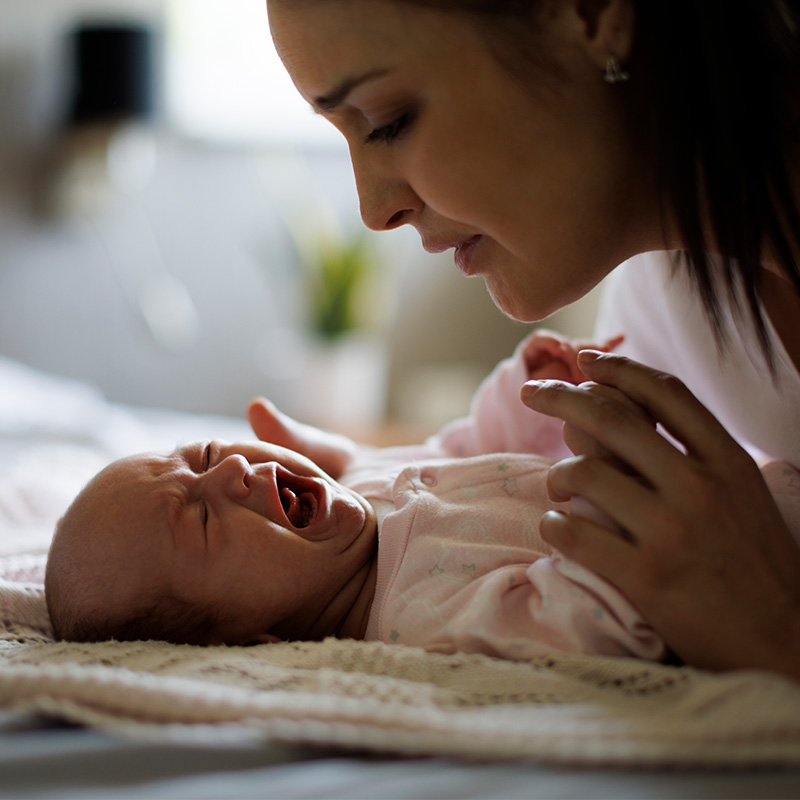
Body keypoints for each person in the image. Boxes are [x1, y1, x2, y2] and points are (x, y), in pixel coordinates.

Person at [262, 0, 800, 682]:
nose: (374, 210)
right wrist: (396, 486)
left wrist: (778, 633)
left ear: (592, 14)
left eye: (389, 120)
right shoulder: (667, 302)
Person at [46, 331, 673, 661]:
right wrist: (605, 475)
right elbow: (588, 623)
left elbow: (468, 449)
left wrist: (526, 392)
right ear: (248, 641)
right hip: (704, 535)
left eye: (205, 456)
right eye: (202, 518)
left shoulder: (362, 483)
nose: (233, 467)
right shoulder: (424, 622)